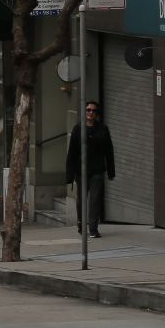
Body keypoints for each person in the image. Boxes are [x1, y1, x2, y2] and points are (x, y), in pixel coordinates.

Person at [66, 100, 117, 238]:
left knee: (95, 200)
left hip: (97, 170)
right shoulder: (78, 129)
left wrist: (111, 171)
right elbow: (72, 152)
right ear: (85, 112)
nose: (91, 112)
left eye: (94, 110)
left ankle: (93, 228)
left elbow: (109, 151)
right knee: (81, 199)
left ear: (97, 113)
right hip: (80, 171)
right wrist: (69, 174)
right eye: (88, 110)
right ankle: (81, 223)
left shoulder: (102, 129)